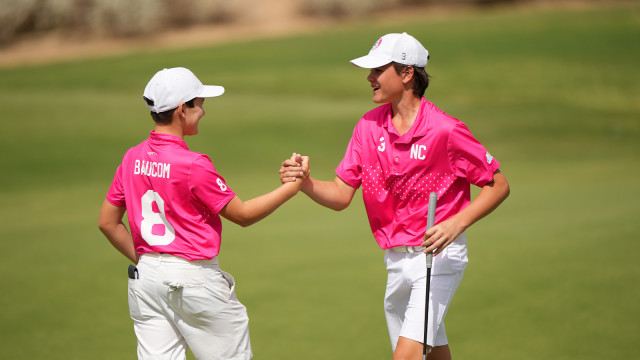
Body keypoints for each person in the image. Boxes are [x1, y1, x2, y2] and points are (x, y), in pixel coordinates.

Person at [280, 33, 510, 360]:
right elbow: (342, 193)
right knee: (432, 354)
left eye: (378, 69)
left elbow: (498, 184)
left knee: (405, 357)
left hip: (437, 258)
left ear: (406, 74)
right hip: (396, 260)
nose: (369, 77)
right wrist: (305, 182)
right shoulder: (367, 127)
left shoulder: (446, 130)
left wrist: (456, 224)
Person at [98, 67, 306, 360]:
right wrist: (292, 188)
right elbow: (243, 215)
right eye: (200, 103)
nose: (204, 111)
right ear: (183, 109)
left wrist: (152, 261)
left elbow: (107, 222)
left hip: (146, 281)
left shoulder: (131, 157)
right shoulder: (193, 164)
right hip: (193, 280)